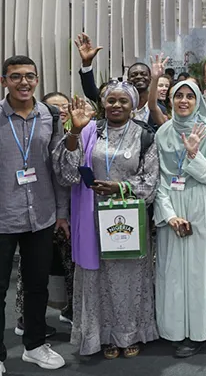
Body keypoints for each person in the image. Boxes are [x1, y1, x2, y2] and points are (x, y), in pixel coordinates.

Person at [53, 81, 159, 359]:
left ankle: (130, 333)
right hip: (92, 218)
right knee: (97, 278)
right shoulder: (90, 130)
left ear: (133, 105)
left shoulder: (145, 136)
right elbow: (67, 172)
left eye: (123, 101)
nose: (116, 105)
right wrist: (74, 131)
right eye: (111, 100)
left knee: (129, 277)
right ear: (103, 104)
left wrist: (120, 188)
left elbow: (150, 182)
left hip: (129, 217)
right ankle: (103, 336)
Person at [154, 81, 206, 358]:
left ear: (199, 100)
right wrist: (169, 215)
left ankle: (203, 329)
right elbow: (159, 179)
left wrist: (193, 154)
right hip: (173, 203)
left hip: (204, 202)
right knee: (175, 271)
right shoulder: (163, 132)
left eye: (190, 96)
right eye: (179, 96)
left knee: (202, 269)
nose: (184, 101)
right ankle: (175, 329)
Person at [0, 56, 68, 371]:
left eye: (30, 76)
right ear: (4, 81)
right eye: (16, 77)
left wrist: (61, 213)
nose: (24, 82)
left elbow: (57, 168)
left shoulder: (49, 116)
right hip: (3, 217)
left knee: (37, 285)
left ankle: (35, 344)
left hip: (40, 215)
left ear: (37, 79)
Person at [14, 93, 73, 335]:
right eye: (55, 107)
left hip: (69, 208)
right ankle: (24, 320)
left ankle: (68, 310)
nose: (60, 111)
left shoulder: (79, 130)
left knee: (68, 265)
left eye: (64, 106)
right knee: (31, 270)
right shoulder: (33, 130)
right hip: (36, 209)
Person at [74, 33, 165, 127]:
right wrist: (87, 63)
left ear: (150, 78)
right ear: (129, 80)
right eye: (134, 75)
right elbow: (90, 91)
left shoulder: (159, 109)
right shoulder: (114, 99)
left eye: (143, 74)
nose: (138, 77)